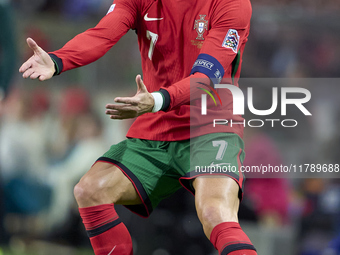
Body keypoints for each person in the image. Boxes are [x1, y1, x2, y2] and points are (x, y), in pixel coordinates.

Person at [19, 0, 256, 254]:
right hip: (156, 127)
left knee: (215, 212)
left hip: (210, 127)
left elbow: (206, 79)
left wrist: (156, 100)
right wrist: (57, 60)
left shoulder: (232, 4)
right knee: (89, 191)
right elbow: (102, 34)